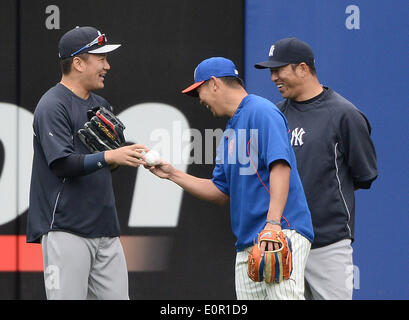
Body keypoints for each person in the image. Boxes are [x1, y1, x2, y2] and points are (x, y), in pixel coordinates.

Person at [147, 57, 314, 299]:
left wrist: (273, 224)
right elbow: (219, 191)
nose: (200, 100)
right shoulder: (229, 133)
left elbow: (280, 166)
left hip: (280, 231)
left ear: (214, 83)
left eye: (200, 91)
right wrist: (172, 174)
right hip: (248, 241)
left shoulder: (261, 110)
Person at [26, 26, 146, 300]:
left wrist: (126, 154)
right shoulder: (52, 104)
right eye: (100, 58)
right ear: (78, 63)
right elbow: (62, 164)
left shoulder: (101, 103)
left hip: (105, 228)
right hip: (66, 228)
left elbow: (108, 162)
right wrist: (110, 156)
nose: (107, 65)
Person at [254, 37, 378, 300]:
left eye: (279, 69)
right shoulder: (275, 115)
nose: (273, 77)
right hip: (284, 242)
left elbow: (362, 175)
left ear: (302, 68)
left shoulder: (344, 114)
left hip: (327, 242)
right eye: (271, 71)